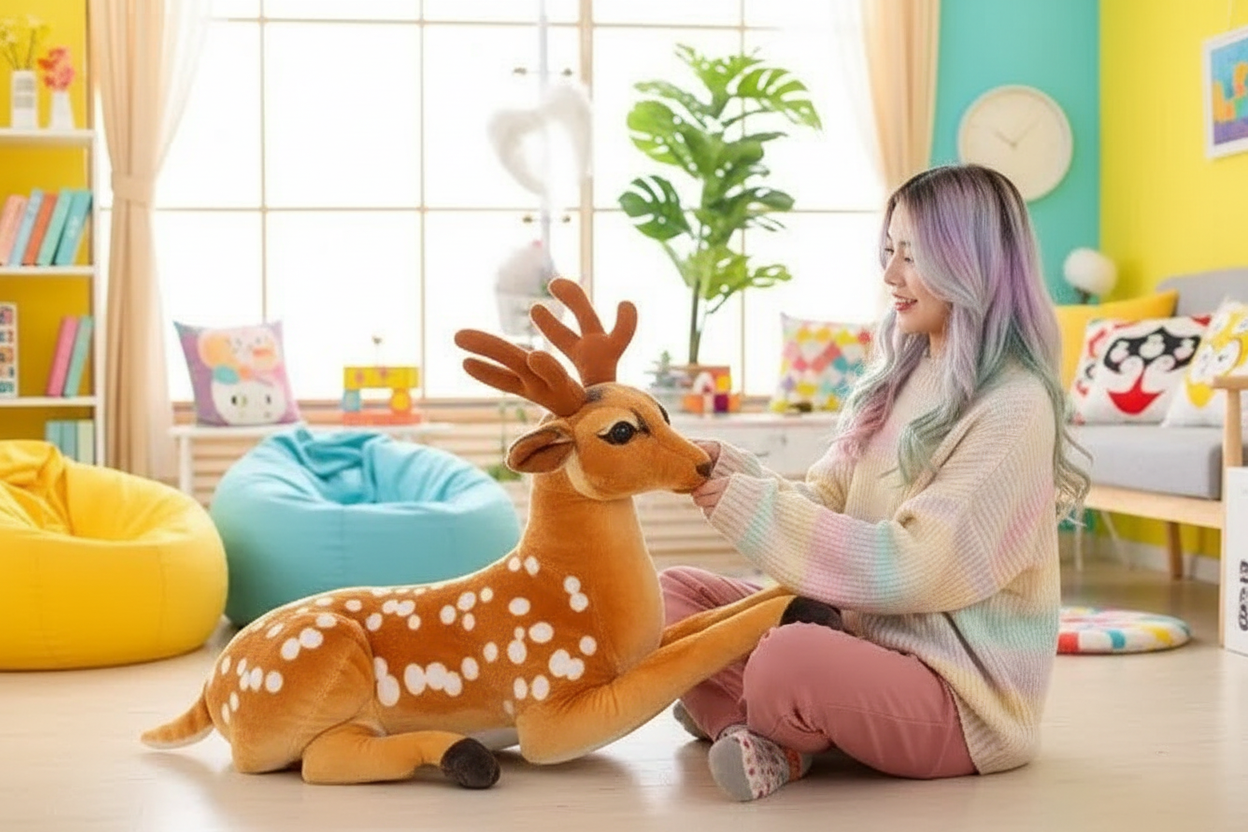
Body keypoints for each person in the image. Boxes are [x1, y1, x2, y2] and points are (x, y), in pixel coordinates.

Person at [661, 163, 1090, 802]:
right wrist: (731, 473)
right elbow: (825, 499)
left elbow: (916, 566)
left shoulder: (1015, 406)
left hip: (957, 701)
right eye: (888, 250)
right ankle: (760, 737)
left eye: (912, 255)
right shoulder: (901, 372)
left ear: (970, 261)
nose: (890, 274)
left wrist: (751, 506)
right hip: (861, 642)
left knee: (788, 657)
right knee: (678, 598)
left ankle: (754, 715)